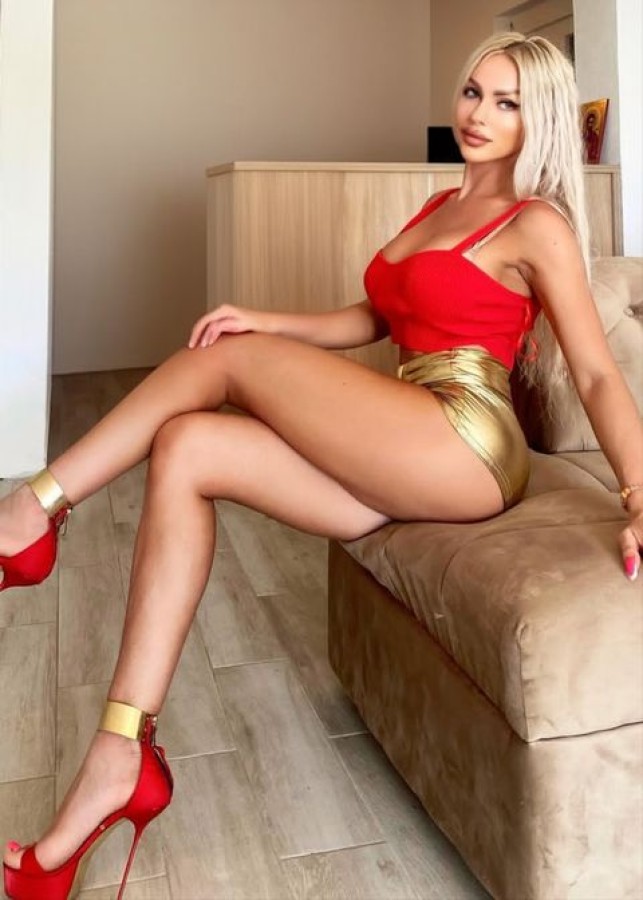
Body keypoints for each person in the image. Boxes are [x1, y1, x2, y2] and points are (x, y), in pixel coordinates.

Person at [1, 30, 642, 900]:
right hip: (402, 441)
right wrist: (261, 318)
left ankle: (29, 512)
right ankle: (118, 758)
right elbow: (371, 319)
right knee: (188, 447)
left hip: (464, 443)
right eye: (472, 92)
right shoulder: (436, 207)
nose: (478, 114)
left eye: (507, 103)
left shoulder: (536, 224)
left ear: (542, 122)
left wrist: (637, 491)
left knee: (225, 368)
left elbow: (597, 373)